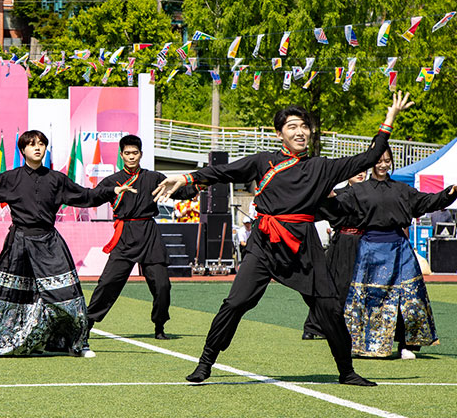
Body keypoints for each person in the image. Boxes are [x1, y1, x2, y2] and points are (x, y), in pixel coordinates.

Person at [153, 91, 413, 387]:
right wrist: (186, 178)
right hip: (264, 243)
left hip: (304, 247)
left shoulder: (322, 167)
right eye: (292, 126)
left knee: (328, 309)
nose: (300, 132)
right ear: (280, 134)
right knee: (236, 302)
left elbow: (368, 157)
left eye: (304, 126)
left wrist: (389, 118)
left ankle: (347, 372)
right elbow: (223, 172)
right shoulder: (263, 161)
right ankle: (205, 362)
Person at [0, 130, 134, 359]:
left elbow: (85, 196)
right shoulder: (11, 178)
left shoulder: (57, 179)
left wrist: (111, 191)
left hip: (50, 244)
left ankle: (78, 343)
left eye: (41, 144)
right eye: (32, 145)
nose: (38, 148)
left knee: (68, 294)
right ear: (23, 151)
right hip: (18, 244)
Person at [321, 148, 457, 359]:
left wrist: (450, 193)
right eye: (379, 161)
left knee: (410, 297)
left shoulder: (402, 189)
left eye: (387, 160)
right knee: (370, 298)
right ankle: (365, 344)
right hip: (370, 249)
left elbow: (426, 201)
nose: (383, 165)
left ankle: (406, 345)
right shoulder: (358, 190)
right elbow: (336, 207)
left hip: (400, 248)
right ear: (371, 163)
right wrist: (328, 196)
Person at [86, 135, 201, 340]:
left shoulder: (154, 178)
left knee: (162, 285)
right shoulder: (112, 181)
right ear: (121, 155)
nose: (131, 157)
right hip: (125, 235)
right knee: (107, 284)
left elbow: (179, 192)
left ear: (141, 154)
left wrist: (199, 185)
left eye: (135, 153)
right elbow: (93, 197)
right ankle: (86, 324)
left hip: (150, 233)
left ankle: (159, 326)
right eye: (127, 153)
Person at [301, 171, 367, 340]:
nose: (361, 174)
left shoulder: (371, 192)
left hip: (365, 242)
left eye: (364, 171)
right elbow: (316, 211)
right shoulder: (336, 194)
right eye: (357, 171)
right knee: (330, 286)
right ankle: (314, 326)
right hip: (342, 243)